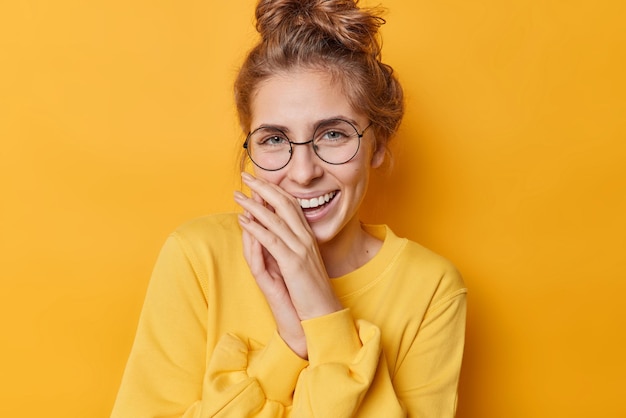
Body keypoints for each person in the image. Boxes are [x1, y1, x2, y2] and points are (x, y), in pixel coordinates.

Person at [111, 0, 467, 416]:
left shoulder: (431, 289)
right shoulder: (198, 255)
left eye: (333, 134)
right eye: (275, 139)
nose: (302, 173)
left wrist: (321, 310)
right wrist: (292, 345)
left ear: (379, 143)